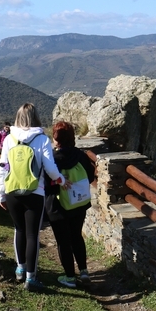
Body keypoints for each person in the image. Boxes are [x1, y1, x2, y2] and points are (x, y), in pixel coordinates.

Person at [0, 103, 68, 291]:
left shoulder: (9, 139)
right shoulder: (42, 139)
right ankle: (31, 278)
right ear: (35, 117)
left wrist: (1, 193)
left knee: (19, 230)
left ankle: (20, 269)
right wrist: (61, 180)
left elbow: (3, 167)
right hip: (35, 192)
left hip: (12, 191)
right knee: (32, 234)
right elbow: (50, 168)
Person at [45, 121, 96, 288]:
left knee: (63, 241)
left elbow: (46, 184)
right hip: (79, 202)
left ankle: (69, 277)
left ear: (55, 138)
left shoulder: (52, 159)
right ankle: (84, 271)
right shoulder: (80, 155)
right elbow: (90, 177)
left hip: (58, 205)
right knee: (76, 236)